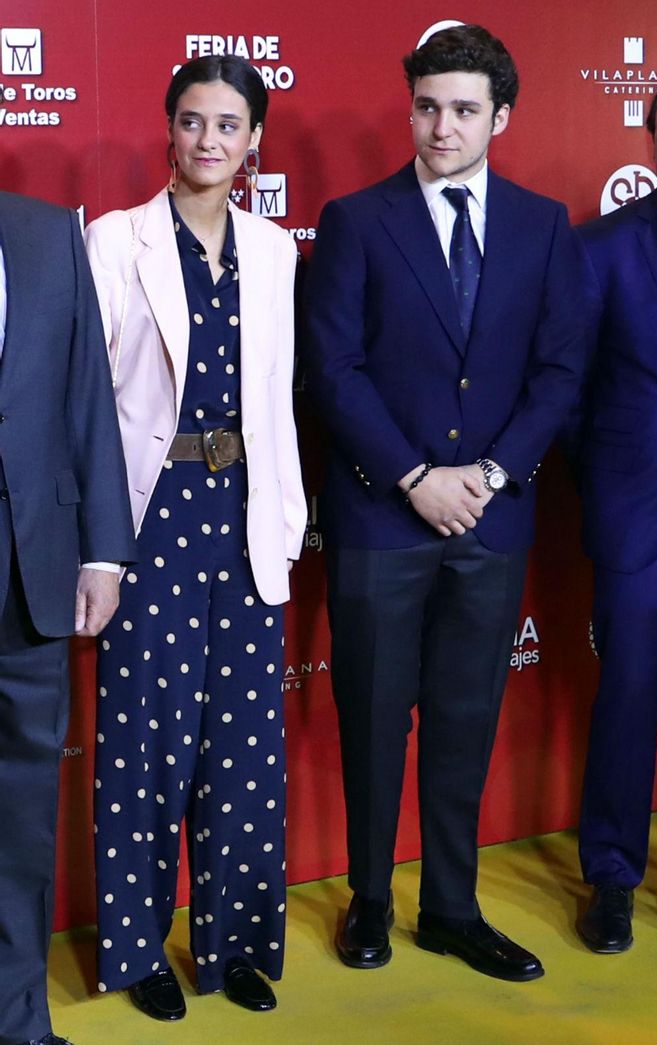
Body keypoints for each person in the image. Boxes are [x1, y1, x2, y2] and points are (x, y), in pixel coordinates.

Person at [304, 24, 586, 981]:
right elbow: (332, 370)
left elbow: (558, 371)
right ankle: (373, 901)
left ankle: (452, 910)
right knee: (376, 720)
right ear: (411, 107)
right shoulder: (355, 219)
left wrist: (494, 475)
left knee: (466, 718)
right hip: (382, 517)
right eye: (427, 105)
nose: (441, 126)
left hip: (494, 517)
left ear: (499, 117)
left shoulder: (545, 226)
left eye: (464, 109)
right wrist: (417, 478)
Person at [84, 55, 306, 1021]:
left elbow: (279, 404)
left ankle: (240, 944)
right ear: (168, 130)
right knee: (144, 746)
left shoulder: (273, 252)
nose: (209, 140)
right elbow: (87, 408)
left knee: (247, 749)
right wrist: (98, 543)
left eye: (228, 124)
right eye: (192, 121)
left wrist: (289, 523)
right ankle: (137, 951)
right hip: (153, 514)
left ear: (255, 139)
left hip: (248, 516)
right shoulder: (113, 241)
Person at [0, 188, 136, 1041]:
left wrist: (101, 550)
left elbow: (87, 396)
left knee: (20, 816)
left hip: (32, 569)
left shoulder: (48, 232)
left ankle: (17, 1018)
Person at [574, 90, 657, 954]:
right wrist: (606, 492)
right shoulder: (602, 250)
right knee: (630, 696)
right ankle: (611, 875)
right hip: (642, 521)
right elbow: (571, 397)